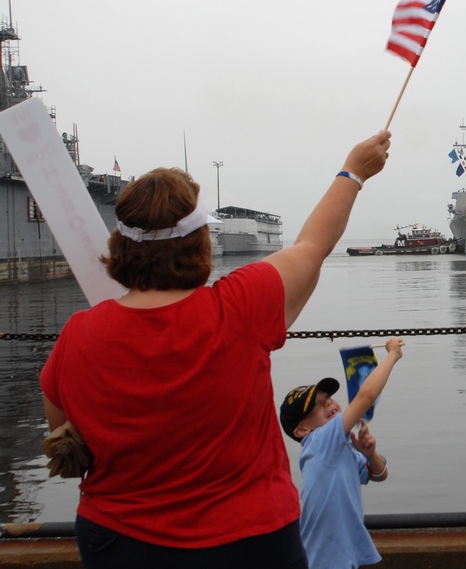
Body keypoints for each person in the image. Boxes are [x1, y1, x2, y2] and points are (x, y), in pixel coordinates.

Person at [39, 131, 391, 568]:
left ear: (120, 245)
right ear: (200, 241)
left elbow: (67, 443)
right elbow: (313, 247)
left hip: (119, 542)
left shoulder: (77, 335)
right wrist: (354, 171)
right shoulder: (240, 307)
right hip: (249, 541)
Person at [280, 338, 404, 569]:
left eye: (328, 398)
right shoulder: (318, 442)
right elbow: (365, 397)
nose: (328, 403)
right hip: (324, 560)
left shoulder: (336, 450)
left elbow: (379, 474)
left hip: (337, 556)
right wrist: (392, 356)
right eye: (318, 405)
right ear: (301, 430)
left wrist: (369, 454)